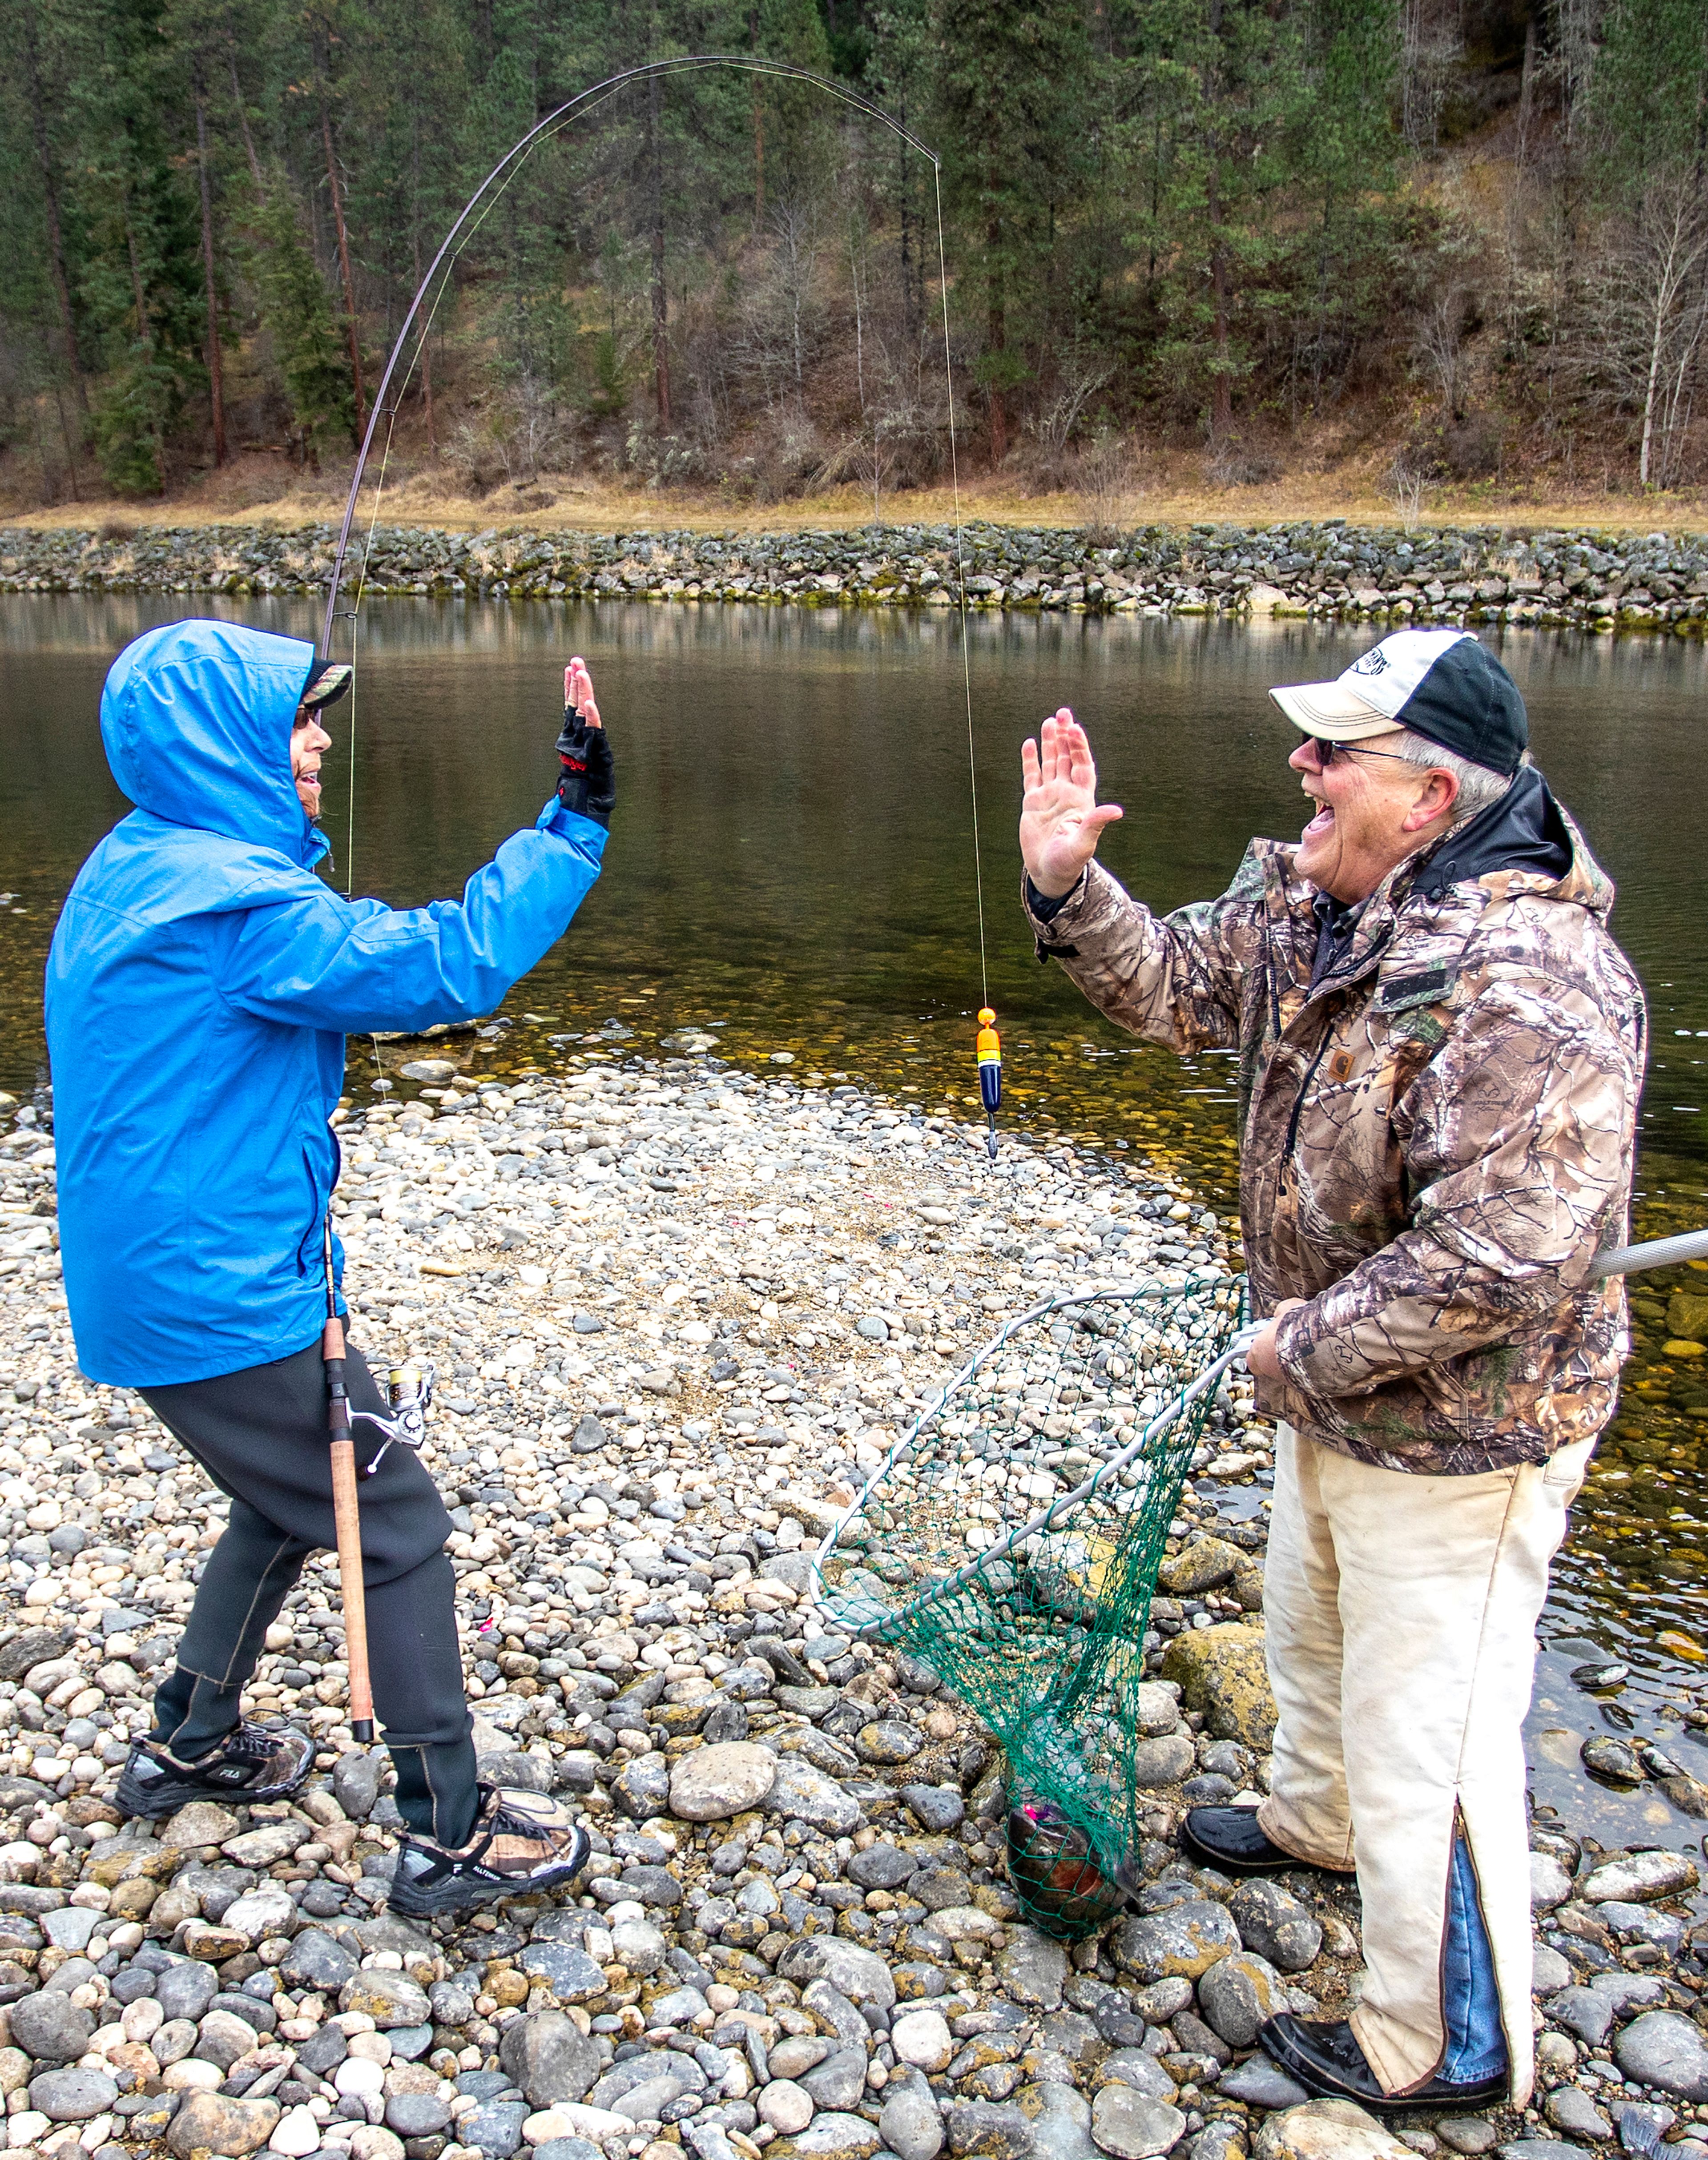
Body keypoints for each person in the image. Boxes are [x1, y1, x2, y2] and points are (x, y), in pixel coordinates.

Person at [1016, 628, 1645, 2114]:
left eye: (1336, 752)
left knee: (1431, 1730)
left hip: (1465, 1436)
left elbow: (1496, 1264)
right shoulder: (1325, 897)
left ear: (1431, 795)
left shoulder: (1540, 984)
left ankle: (1447, 2042)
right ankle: (1315, 1822)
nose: (1302, 765)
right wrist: (1064, 885)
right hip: (1334, 1395)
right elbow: (1178, 989)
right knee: (1309, 1626)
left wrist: (1288, 1346)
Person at [45, 619, 616, 1917]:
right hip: (217, 1292)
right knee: (393, 1514)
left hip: (175, 1278)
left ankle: (189, 1743)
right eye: (296, 720)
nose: (317, 742)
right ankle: (449, 1831)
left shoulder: (135, 863)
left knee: (297, 1497)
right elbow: (446, 963)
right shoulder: (240, 906)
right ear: (223, 739)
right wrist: (570, 826)